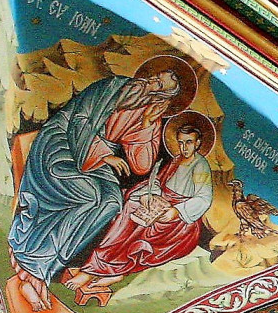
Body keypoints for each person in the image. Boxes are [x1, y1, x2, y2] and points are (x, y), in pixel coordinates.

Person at [8, 56, 196, 313]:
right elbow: (79, 120)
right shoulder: (112, 87)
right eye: (159, 77)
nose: (156, 82)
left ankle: (45, 269)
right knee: (88, 197)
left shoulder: (150, 115)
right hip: (62, 144)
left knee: (110, 203)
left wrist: (147, 126)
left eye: (164, 85)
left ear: (168, 96)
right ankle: (33, 272)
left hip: (96, 163)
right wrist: (104, 155)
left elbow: (141, 166)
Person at [71, 113, 216, 302]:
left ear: (198, 143)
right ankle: (99, 266)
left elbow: (204, 198)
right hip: (161, 203)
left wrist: (176, 211)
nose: (184, 147)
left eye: (189, 142)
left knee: (142, 229)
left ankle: (108, 270)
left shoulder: (200, 165)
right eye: (181, 143)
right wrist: (149, 195)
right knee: (131, 207)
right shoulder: (176, 160)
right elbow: (157, 180)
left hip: (179, 222)